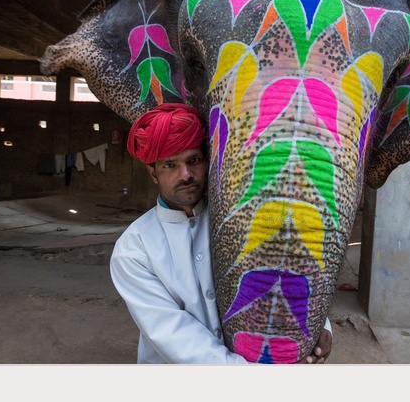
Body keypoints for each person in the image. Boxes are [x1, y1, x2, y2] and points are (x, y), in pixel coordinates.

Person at [110, 103, 332, 364]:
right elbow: (173, 333)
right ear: (153, 173)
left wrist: (321, 325)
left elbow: (287, 268)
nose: (186, 175)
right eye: (170, 165)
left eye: (193, 160)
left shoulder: (242, 219)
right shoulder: (134, 250)